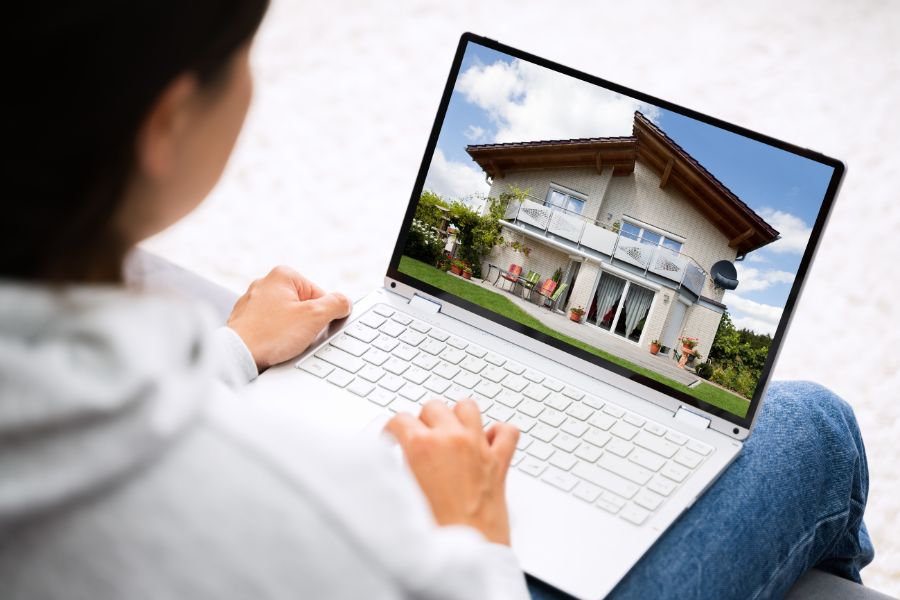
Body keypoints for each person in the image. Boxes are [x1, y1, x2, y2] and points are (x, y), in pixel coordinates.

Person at [0, 3, 873, 599]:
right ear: (164, 124)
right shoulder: (310, 502)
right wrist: (472, 530)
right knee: (813, 425)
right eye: (241, 57)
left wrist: (234, 351)